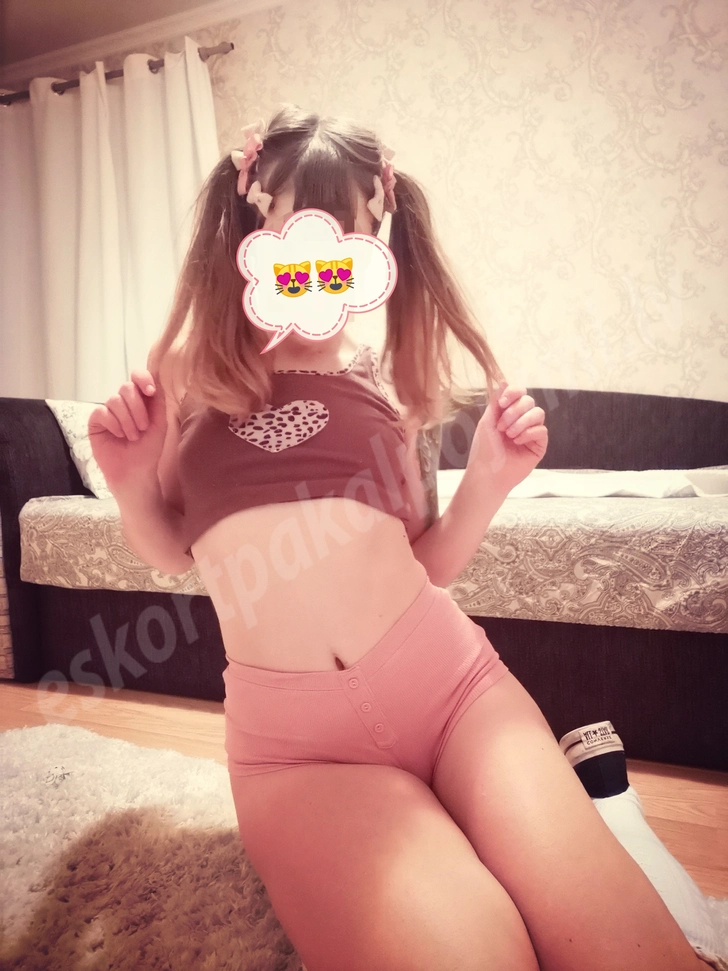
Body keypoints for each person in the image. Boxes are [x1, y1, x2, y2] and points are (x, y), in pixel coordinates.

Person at [88, 105, 707, 971]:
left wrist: (487, 480)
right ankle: (596, 801)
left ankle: (602, 809)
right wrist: (127, 480)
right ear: (249, 232)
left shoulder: (389, 382)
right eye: (293, 236)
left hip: (454, 693)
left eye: (343, 245)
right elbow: (169, 548)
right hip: (300, 753)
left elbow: (429, 562)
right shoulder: (189, 373)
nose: (317, 269)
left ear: (374, 245)